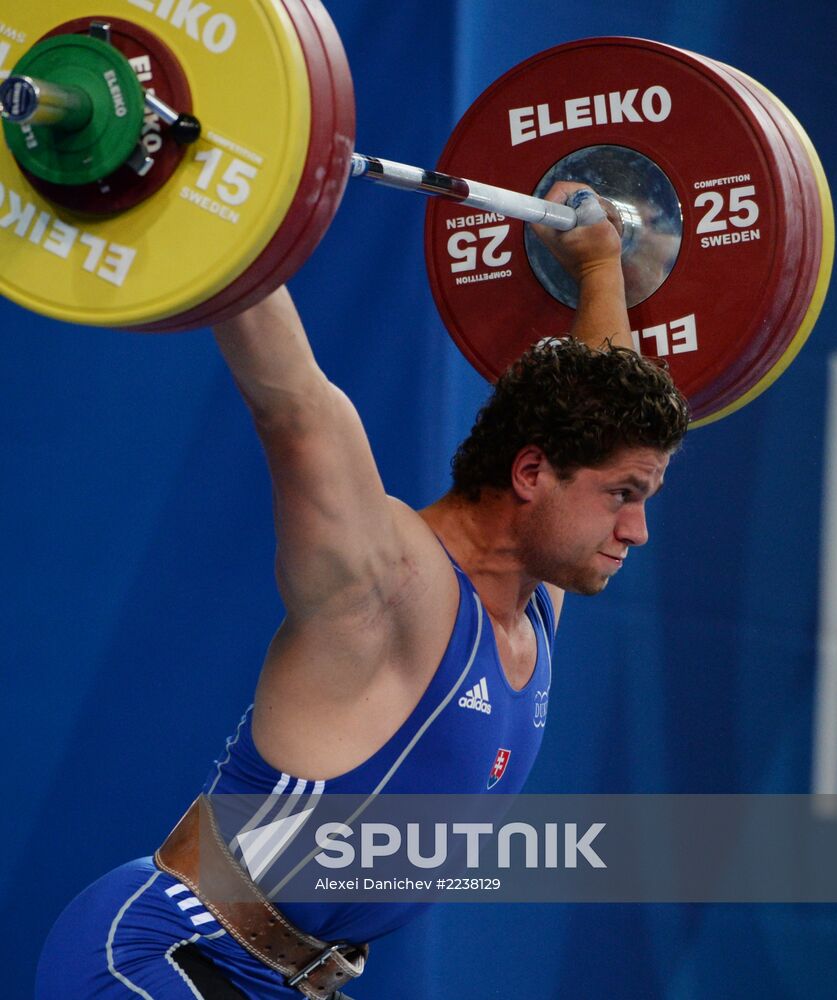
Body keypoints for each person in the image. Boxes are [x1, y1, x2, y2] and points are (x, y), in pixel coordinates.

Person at [35, 182, 688, 999]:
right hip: (168, 956)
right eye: (623, 498)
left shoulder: (529, 601)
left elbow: (600, 401)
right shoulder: (388, 583)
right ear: (529, 473)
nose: (636, 532)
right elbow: (293, 404)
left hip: (287, 982)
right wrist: (199, 191)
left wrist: (598, 268)